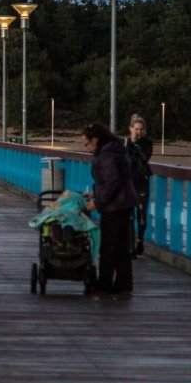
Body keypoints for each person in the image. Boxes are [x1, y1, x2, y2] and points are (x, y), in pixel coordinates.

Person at [83, 121, 139, 297]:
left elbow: (112, 183)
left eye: (87, 143)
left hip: (114, 206)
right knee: (122, 246)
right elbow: (113, 181)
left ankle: (104, 285)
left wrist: (97, 203)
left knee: (108, 246)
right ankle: (123, 286)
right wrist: (94, 194)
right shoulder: (114, 150)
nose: (86, 147)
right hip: (124, 203)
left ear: (96, 139)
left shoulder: (107, 155)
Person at [125, 114, 153, 256]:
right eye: (136, 129)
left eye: (141, 129)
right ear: (131, 129)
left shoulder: (147, 142)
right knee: (129, 216)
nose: (138, 132)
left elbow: (145, 157)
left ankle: (140, 240)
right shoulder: (125, 143)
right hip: (128, 183)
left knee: (141, 215)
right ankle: (130, 247)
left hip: (142, 181)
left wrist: (136, 145)